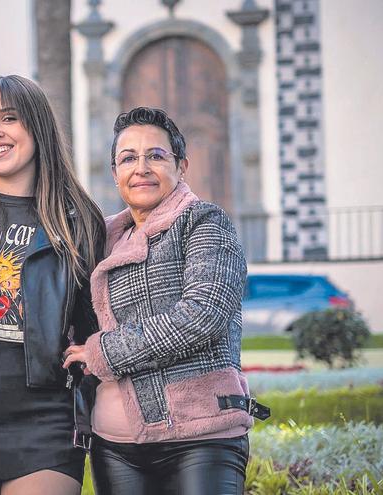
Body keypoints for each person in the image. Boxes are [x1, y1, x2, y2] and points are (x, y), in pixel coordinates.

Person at [63, 107, 269, 494]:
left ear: (182, 166)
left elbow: (202, 315)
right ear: (115, 172)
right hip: (116, 447)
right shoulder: (99, 241)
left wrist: (101, 353)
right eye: (128, 158)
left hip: (202, 436)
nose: (141, 168)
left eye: (155, 156)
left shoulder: (204, 223)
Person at [0, 75, 106, 495]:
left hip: (46, 423)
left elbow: (95, 326)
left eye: (9, 118)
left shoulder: (77, 221)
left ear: (37, 127)